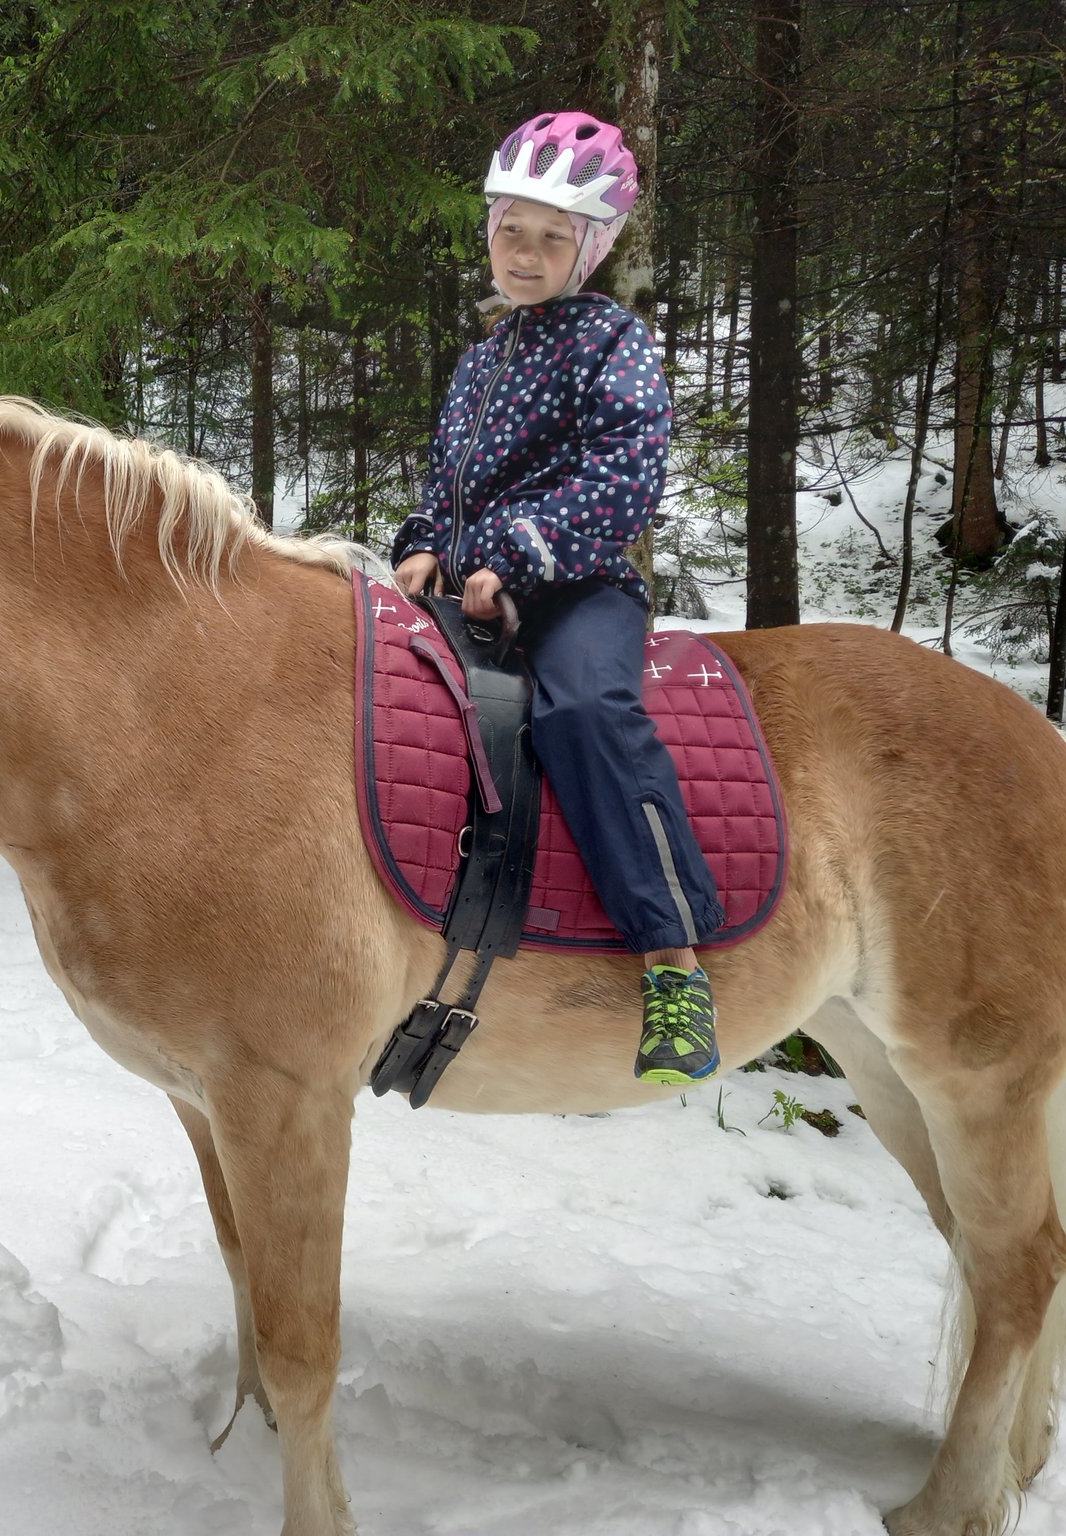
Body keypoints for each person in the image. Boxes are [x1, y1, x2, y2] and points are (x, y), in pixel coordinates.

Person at [390, 111, 726, 1085]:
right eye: (511, 231)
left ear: (590, 248)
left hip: (576, 589)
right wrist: (424, 545)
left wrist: (515, 551)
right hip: (469, 591)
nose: (525, 254)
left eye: (551, 237)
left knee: (583, 711)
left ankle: (671, 959)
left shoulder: (612, 339)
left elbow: (625, 472)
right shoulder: (479, 359)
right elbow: (445, 486)